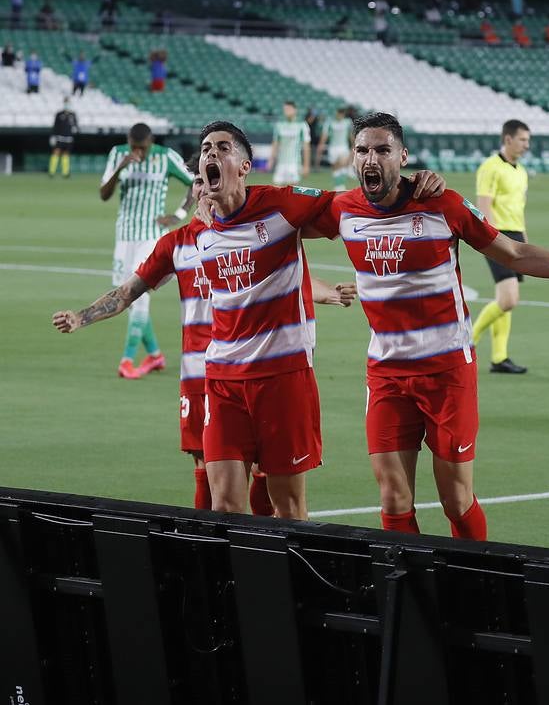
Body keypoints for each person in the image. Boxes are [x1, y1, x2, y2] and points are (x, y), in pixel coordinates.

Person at [308, 112, 549, 539]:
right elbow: (275, 222)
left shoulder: (443, 204)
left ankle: (474, 592)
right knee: (392, 498)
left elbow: (511, 252)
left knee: (455, 500)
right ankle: (409, 597)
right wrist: (218, 203)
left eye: (382, 150)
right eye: (362, 149)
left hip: (447, 373)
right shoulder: (342, 209)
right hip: (386, 374)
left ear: (402, 156)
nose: (371, 158)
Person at [53, 162, 356, 514]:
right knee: (208, 472)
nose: (200, 188)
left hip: (261, 367)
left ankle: (264, 544)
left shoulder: (254, 226)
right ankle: (211, 551)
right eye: (196, 182)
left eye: (204, 181)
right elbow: (126, 292)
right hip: (202, 375)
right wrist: (81, 316)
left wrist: (324, 292)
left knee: (265, 474)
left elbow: (283, 274)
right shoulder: (178, 245)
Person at [193, 120, 445, 522]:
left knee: (288, 508)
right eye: (206, 148)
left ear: (244, 165)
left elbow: (358, 202)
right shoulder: (198, 228)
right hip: (222, 378)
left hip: (282, 378)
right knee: (223, 505)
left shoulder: (282, 204)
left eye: (222, 148)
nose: (211, 154)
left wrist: (413, 182)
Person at [100, 122, 194, 379]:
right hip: (124, 235)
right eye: (134, 147)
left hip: (151, 238)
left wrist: (178, 214)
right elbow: (104, 194)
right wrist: (121, 168)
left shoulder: (165, 158)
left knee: (138, 295)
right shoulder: (118, 154)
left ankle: (127, 360)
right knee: (124, 295)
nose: (137, 153)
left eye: (141, 148)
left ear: (150, 142)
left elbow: (195, 182)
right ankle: (155, 355)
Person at [471, 120, 531, 374]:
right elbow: (484, 206)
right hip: (498, 235)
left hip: (515, 235)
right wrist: (494, 240)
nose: (527, 145)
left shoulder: (521, 171)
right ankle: (466, 341)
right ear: (508, 139)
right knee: (508, 300)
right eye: (522, 140)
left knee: (504, 298)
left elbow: (518, 209)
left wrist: (524, 239)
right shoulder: (490, 167)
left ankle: (499, 357)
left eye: (528, 140)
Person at [267, 100, 311, 185]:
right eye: (285, 109)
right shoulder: (279, 125)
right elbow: (275, 144)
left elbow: (306, 147)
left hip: (294, 165)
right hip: (281, 164)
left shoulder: (302, 125)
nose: (286, 111)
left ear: (295, 110)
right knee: (276, 191)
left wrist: (306, 165)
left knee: (292, 194)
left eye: (288, 109)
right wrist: (271, 160)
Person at [315, 105, 354, 190]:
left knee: (342, 165)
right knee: (335, 168)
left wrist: (353, 145)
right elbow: (324, 135)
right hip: (333, 148)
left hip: (343, 147)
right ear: (336, 112)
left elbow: (350, 135)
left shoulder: (347, 122)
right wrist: (321, 145)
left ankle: (341, 186)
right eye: (339, 112)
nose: (340, 114)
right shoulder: (329, 122)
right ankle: (338, 186)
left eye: (342, 112)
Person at [48, 97, 78, 178]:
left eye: (68, 103)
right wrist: (53, 136)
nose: (67, 105)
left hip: (69, 138)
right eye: (66, 103)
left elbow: (76, 126)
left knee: (66, 155)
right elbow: (55, 126)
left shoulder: (73, 115)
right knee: (56, 153)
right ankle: (51, 172)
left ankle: (65, 173)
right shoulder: (59, 114)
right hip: (59, 137)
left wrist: (75, 128)